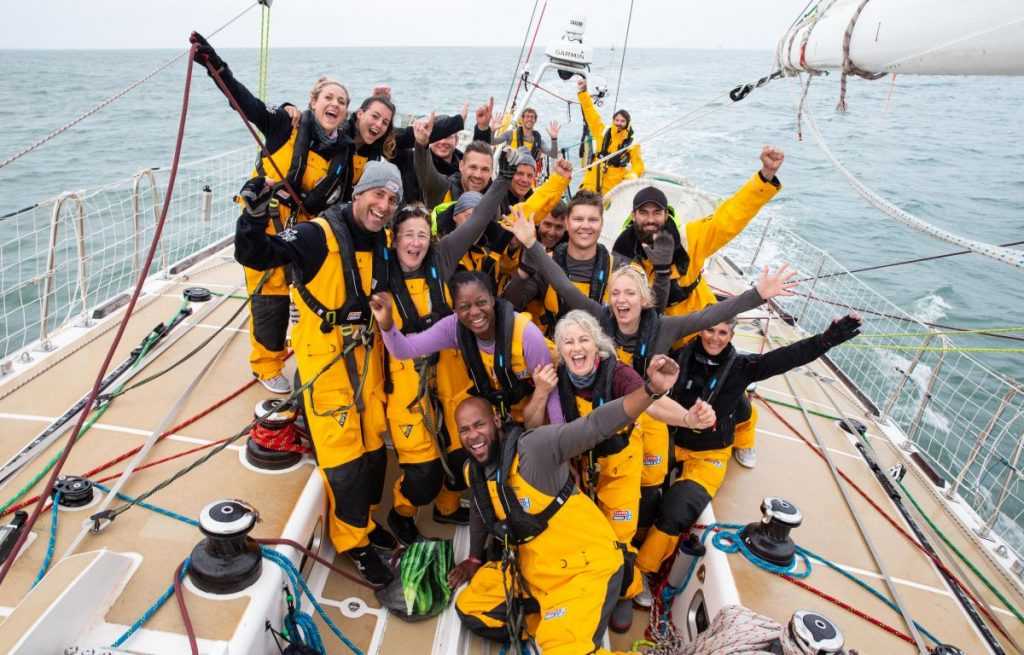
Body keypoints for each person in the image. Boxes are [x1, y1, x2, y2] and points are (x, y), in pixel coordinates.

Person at [506, 208, 796, 550]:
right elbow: (563, 285)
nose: (621, 300)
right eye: (616, 293)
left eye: (630, 293)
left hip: (651, 414)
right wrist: (532, 244)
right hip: (606, 414)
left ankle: (640, 536)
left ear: (643, 299)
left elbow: (712, 315)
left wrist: (757, 294)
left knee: (648, 488)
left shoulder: (665, 328)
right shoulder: (599, 319)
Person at [234, 160, 407, 587]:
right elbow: (257, 254)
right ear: (359, 193)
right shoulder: (315, 235)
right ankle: (353, 543)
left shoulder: (383, 241)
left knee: (373, 446)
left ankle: (365, 520)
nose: (384, 205)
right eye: (378, 194)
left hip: (365, 355)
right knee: (344, 457)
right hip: (325, 359)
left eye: (392, 199)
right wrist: (254, 216)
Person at [447, 354, 693, 654]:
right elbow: (480, 507)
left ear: (496, 421)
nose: (473, 436)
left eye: (479, 425)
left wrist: (650, 390)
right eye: (464, 430)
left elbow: (595, 425)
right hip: (534, 570)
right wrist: (474, 558)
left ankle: (571, 625)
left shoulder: (534, 450)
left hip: (582, 570)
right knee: (471, 607)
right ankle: (551, 624)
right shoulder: (473, 470)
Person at [635, 314, 863, 597]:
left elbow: (786, 357)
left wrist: (826, 340)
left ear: (732, 335)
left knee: (678, 509)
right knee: (642, 489)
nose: (714, 338)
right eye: (710, 329)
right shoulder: (677, 358)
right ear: (700, 330)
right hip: (667, 438)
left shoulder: (742, 368)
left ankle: (643, 571)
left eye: (722, 332)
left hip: (708, 453)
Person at [532, 310, 715, 632]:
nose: (577, 348)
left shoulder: (618, 374)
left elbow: (652, 401)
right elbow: (542, 430)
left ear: (597, 345)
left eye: (584, 339)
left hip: (620, 468)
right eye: (568, 342)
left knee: (620, 535)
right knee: (578, 531)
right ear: (559, 350)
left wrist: (688, 419)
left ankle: (624, 592)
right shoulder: (556, 382)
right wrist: (540, 392)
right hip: (580, 468)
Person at [190, 32, 353, 394]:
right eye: (328, 97)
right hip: (265, 226)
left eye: (341, 101)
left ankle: (309, 351)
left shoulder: (344, 150)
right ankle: (266, 364)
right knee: (271, 298)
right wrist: (214, 65)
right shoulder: (283, 125)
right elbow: (244, 103)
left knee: (314, 295)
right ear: (313, 101)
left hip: (307, 232)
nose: (335, 104)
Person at [381, 131, 518, 546]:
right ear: (394, 238)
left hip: (452, 371)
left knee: (465, 450)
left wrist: (502, 180)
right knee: (422, 474)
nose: (415, 243)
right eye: (408, 235)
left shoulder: (441, 257)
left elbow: (477, 221)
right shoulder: (380, 268)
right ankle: (404, 510)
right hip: (406, 376)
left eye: (422, 235)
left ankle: (447, 504)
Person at [370, 261, 564, 429]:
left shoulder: (526, 334)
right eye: (464, 307)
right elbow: (403, 350)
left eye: (481, 302)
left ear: (493, 300)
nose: (475, 312)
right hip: (502, 418)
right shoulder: (452, 327)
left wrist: (559, 441)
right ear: (454, 309)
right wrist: (386, 324)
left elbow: (552, 392)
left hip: (537, 414)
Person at [612, 146, 784, 323]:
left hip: (698, 320)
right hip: (649, 326)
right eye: (643, 213)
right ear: (634, 215)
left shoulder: (689, 238)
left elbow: (729, 218)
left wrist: (765, 175)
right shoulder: (621, 253)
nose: (650, 219)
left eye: (657, 213)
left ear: (667, 215)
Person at [503, 190, 614, 336]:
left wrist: (533, 246)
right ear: (567, 223)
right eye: (578, 219)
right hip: (555, 345)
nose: (585, 226)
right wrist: (524, 270)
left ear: (602, 224)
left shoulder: (617, 268)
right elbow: (509, 307)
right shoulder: (545, 262)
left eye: (593, 220)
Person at [576, 77, 644, 194]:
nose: (619, 123)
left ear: (627, 123)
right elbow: (590, 112)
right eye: (617, 120)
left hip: (613, 185)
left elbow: (638, 165)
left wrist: (632, 176)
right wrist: (583, 92)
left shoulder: (632, 144)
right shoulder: (602, 132)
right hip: (593, 179)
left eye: (622, 121)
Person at [490, 107, 560, 169]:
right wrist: (492, 131)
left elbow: (553, 154)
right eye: (527, 116)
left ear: (535, 120)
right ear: (522, 119)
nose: (529, 119)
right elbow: (492, 142)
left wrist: (554, 139)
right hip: (510, 173)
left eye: (532, 117)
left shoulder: (538, 140)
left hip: (527, 175)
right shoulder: (510, 134)